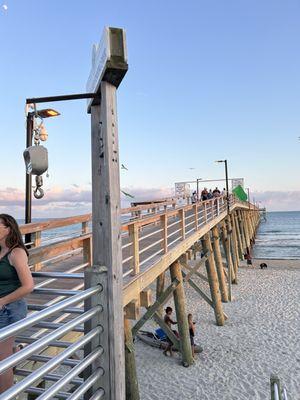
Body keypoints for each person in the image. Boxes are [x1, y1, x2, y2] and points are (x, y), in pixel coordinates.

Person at [0, 214, 34, 393]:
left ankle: (6, 396)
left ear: (8, 229)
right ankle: (19, 350)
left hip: (10, 309)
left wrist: (3, 301)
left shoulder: (17, 252)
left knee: (2, 361)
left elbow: (28, 286)